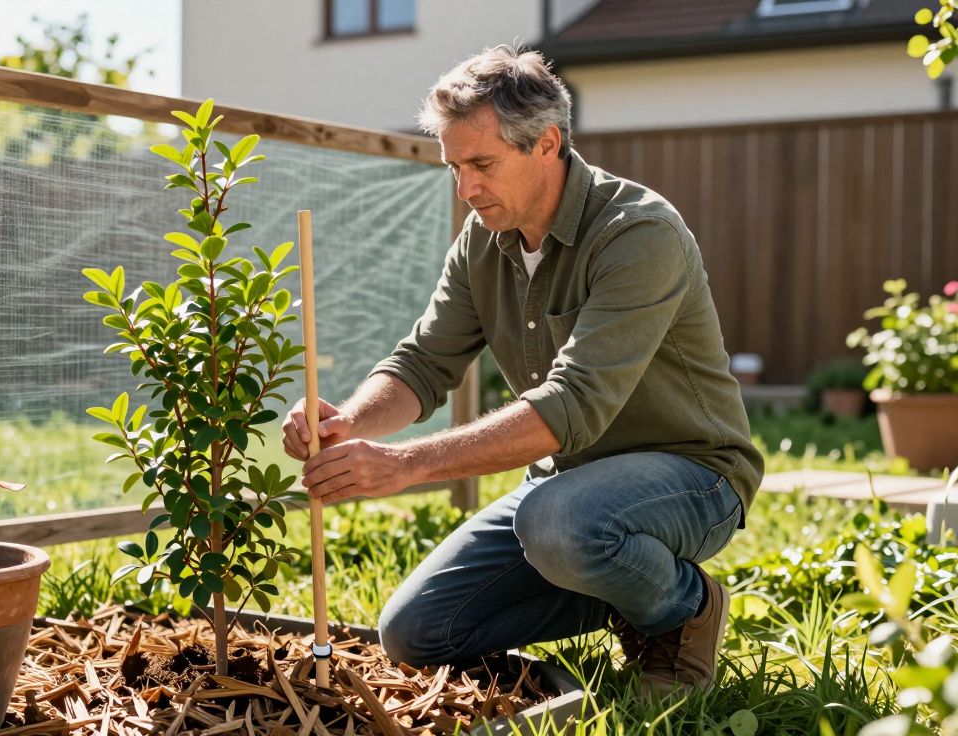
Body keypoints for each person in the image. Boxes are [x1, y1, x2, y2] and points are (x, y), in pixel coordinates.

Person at [280, 45, 763, 697]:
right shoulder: (483, 242)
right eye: (455, 167)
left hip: (694, 478)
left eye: (482, 163)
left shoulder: (638, 233)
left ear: (547, 143)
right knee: (416, 633)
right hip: (568, 488)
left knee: (559, 524)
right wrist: (348, 419)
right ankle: (624, 591)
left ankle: (681, 613)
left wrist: (404, 466)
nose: (467, 188)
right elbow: (423, 363)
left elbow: (572, 405)